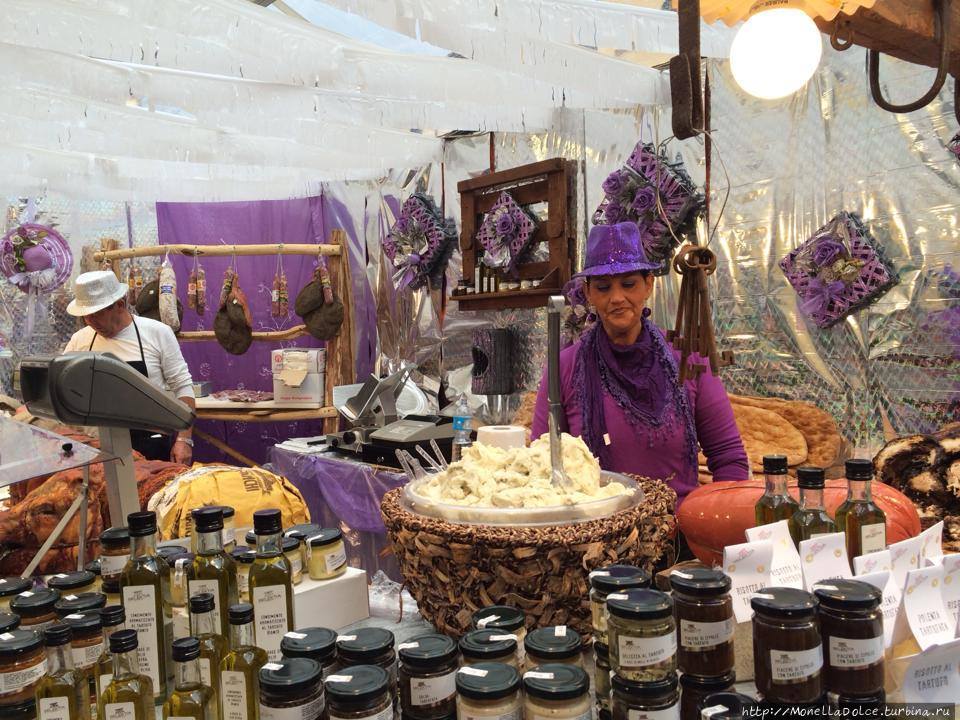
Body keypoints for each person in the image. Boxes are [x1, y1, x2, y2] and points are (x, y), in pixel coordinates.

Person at [532, 223, 749, 507]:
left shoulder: (689, 357)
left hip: (678, 527)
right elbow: (541, 465)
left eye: (629, 284)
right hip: (597, 528)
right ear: (588, 293)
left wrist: (713, 519)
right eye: (603, 287)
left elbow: (729, 458)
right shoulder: (564, 368)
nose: (617, 298)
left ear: (649, 284)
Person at [63, 270, 195, 464]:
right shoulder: (79, 340)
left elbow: (183, 387)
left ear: (120, 305)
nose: (90, 322)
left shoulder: (157, 333)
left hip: (150, 443)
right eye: (85, 316)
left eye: (96, 314)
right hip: (97, 445)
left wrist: (184, 440)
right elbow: (64, 386)